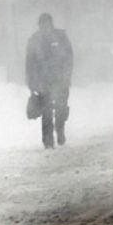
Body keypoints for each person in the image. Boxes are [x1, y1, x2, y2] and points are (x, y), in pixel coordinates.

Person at [25, 13, 74, 149]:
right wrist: (31, 81)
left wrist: (67, 75)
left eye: (47, 24)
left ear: (51, 24)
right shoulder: (34, 40)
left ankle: (60, 130)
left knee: (61, 108)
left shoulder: (61, 37)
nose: (45, 27)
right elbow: (29, 63)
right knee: (46, 111)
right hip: (43, 82)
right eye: (42, 24)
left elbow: (69, 57)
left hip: (60, 80)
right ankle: (48, 141)